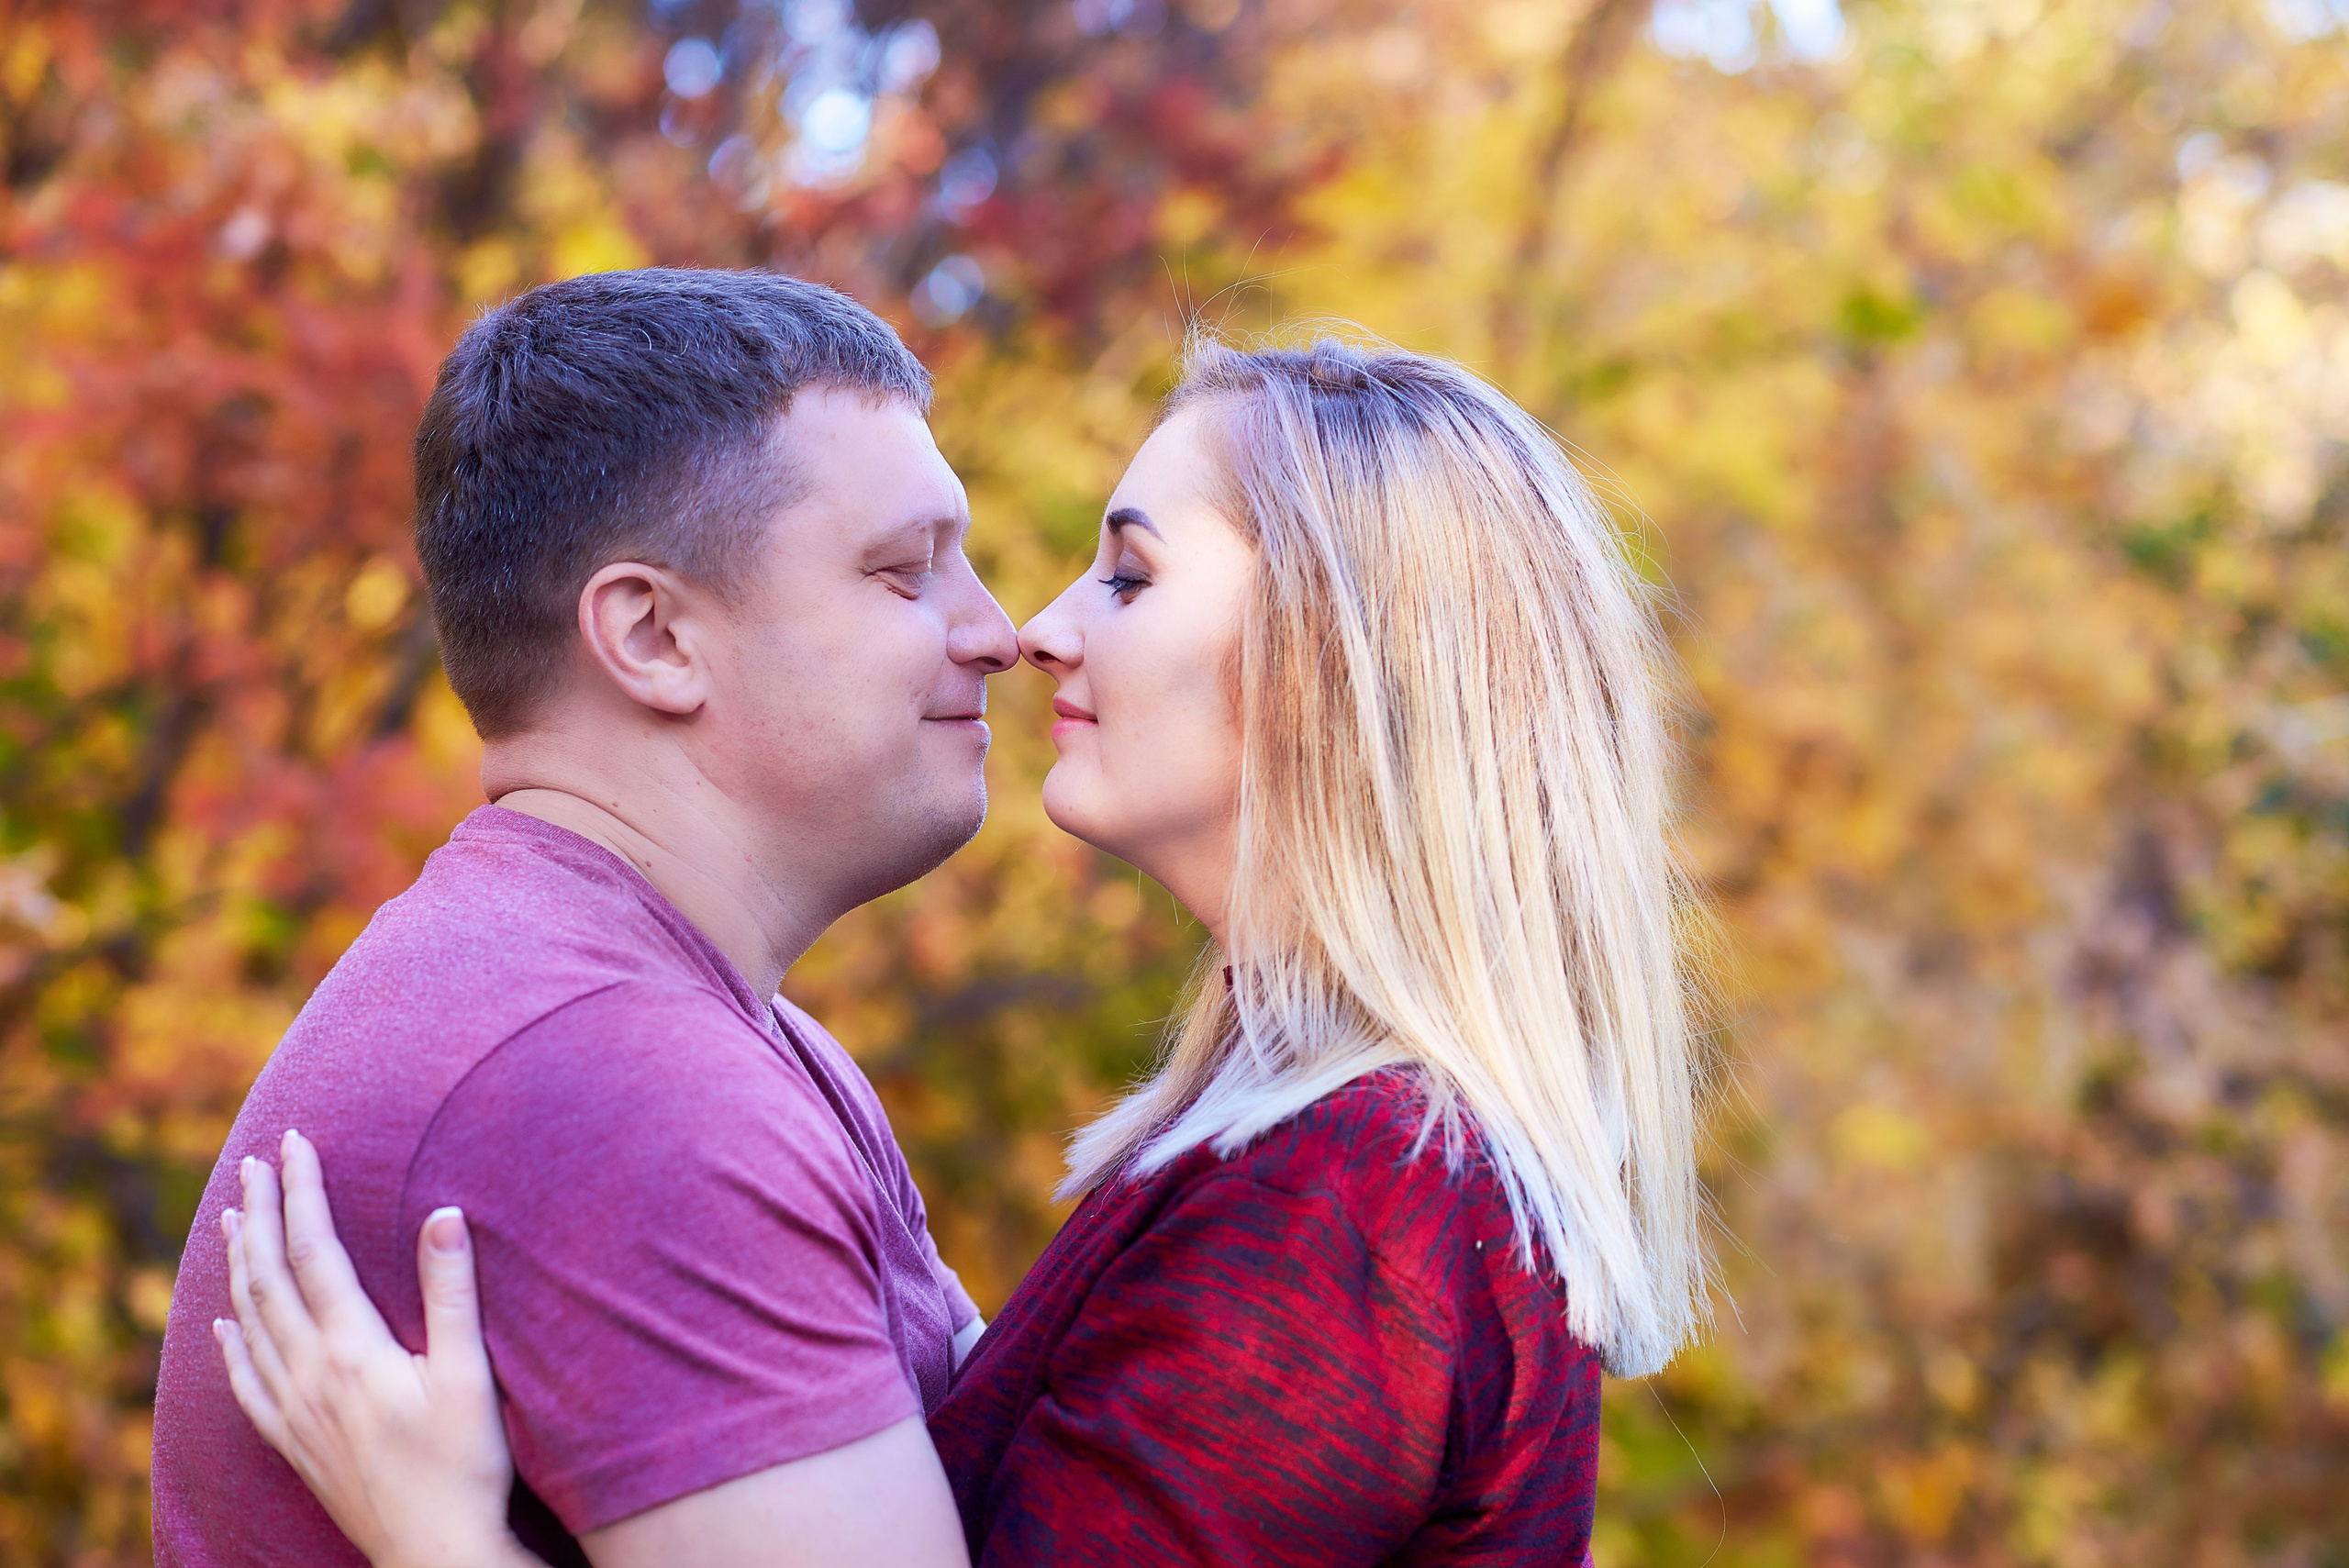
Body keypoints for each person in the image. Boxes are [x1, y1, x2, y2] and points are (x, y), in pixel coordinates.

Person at [212, 335, 1712, 1565]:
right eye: (902, 571)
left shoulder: (1355, 1204)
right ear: (652, 639)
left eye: (1128, 575)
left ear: (1336, 660)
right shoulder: (1313, 1163)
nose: (1029, 630)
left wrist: (443, 1549)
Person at [152, 268, 1019, 1568]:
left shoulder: (707, 1030)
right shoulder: (618, 1089)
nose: (998, 631)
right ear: (655, 633)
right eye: (904, 574)